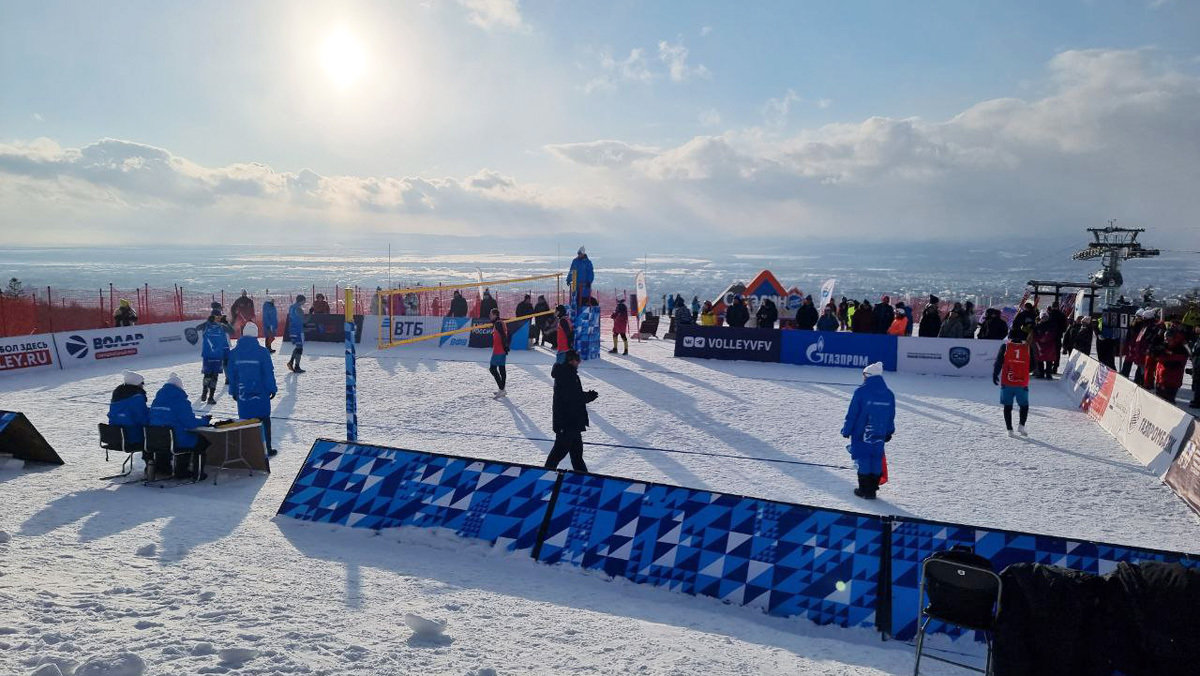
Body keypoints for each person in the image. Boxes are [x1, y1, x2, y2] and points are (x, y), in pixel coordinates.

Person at [840, 362, 895, 500]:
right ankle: (872, 490)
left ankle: (864, 489)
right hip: (880, 433)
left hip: (861, 432)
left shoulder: (861, 392)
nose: (863, 377)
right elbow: (891, 415)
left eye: (864, 375)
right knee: (876, 457)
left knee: (863, 458)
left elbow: (853, 413)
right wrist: (889, 431)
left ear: (869, 375)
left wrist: (847, 429)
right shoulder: (889, 394)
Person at [227, 323, 279, 455]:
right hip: (260, 393)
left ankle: (248, 450)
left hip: (243, 394)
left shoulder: (234, 354)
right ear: (256, 335)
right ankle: (268, 447)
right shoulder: (262, 352)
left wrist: (233, 391)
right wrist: (272, 389)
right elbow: (268, 372)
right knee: (264, 420)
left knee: (246, 422)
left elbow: (232, 375)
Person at [544, 350, 598, 473]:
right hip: (567, 423)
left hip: (573, 422)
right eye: (577, 360)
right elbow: (572, 398)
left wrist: (587, 396)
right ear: (571, 361)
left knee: (577, 457)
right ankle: (544, 477)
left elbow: (574, 395)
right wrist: (588, 397)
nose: (579, 363)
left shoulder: (569, 374)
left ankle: (583, 478)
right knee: (557, 456)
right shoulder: (566, 375)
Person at [149, 373, 211, 479]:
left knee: (179, 441)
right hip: (176, 438)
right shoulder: (180, 401)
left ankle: (163, 468)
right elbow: (190, 423)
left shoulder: (156, 401)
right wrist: (205, 420)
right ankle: (196, 473)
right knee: (201, 442)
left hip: (157, 439)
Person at [994, 326, 1034, 438]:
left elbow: (998, 362)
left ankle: (1009, 429)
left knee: (1007, 406)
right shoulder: (1027, 348)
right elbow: (1033, 366)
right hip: (1022, 382)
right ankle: (1021, 425)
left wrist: (995, 374)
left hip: (1007, 381)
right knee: (1024, 405)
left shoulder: (1005, 346)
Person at [108, 370, 150, 450]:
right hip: (133, 438)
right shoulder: (136, 398)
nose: (143, 386)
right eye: (142, 383)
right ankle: (151, 460)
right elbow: (142, 418)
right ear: (137, 384)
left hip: (116, 438)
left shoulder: (116, 397)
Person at [200, 312, 231, 404]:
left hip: (208, 355)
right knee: (214, 376)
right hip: (216, 355)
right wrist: (225, 323)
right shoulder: (220, 329)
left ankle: (205, 391)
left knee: (208, 375)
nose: (219, 319)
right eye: (217, 317)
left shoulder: (207, 328)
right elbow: (230, 332)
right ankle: (210, 396)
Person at [1153, 329, 1190, 403]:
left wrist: (1162, 357)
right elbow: (1154, 353)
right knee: (1159, 400)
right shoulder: (1165, 345)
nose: (1166, 339)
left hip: (1170, 381)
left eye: (1168, 337)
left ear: (1173, 338)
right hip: (1160, 379)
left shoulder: (1180, 348)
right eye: (1165, 337)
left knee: (1168, 402)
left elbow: (1174, 364)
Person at [488, 308, 510, 398]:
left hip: (498, 350)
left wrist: (505, 347)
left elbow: (503, 336)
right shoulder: (500, 323)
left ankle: (501, 388)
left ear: (495, 315)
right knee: (501, 369)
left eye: (491, 314)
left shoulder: (498, 324)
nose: (490, 316)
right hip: (501, 350)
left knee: (492, 369)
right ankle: (502, 390)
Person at [1032, 313, 1058, 379]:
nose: (1044, 318)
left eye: (1046, 317)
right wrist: (1040, 339)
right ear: (1041, 318)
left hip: (1049, 345)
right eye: (1043, 317)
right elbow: (1034, 335)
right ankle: (1041, 373)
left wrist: (1045, 338)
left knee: (1049, 360)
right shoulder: (1037, 326)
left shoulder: (1052, 325)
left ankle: (1048, 374)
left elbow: (1054, 334)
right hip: (1040, 346)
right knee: (1040, 360)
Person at [286, 294, 307, 373]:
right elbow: (301, 320)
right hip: (298, 330)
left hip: (293, 329)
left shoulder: (292, 307)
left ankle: (291, 362)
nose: (305, 302)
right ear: (301, 300)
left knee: (298, 347)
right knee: (300, 348)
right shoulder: (298, 308)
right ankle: (296, 366)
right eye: (304, 300)